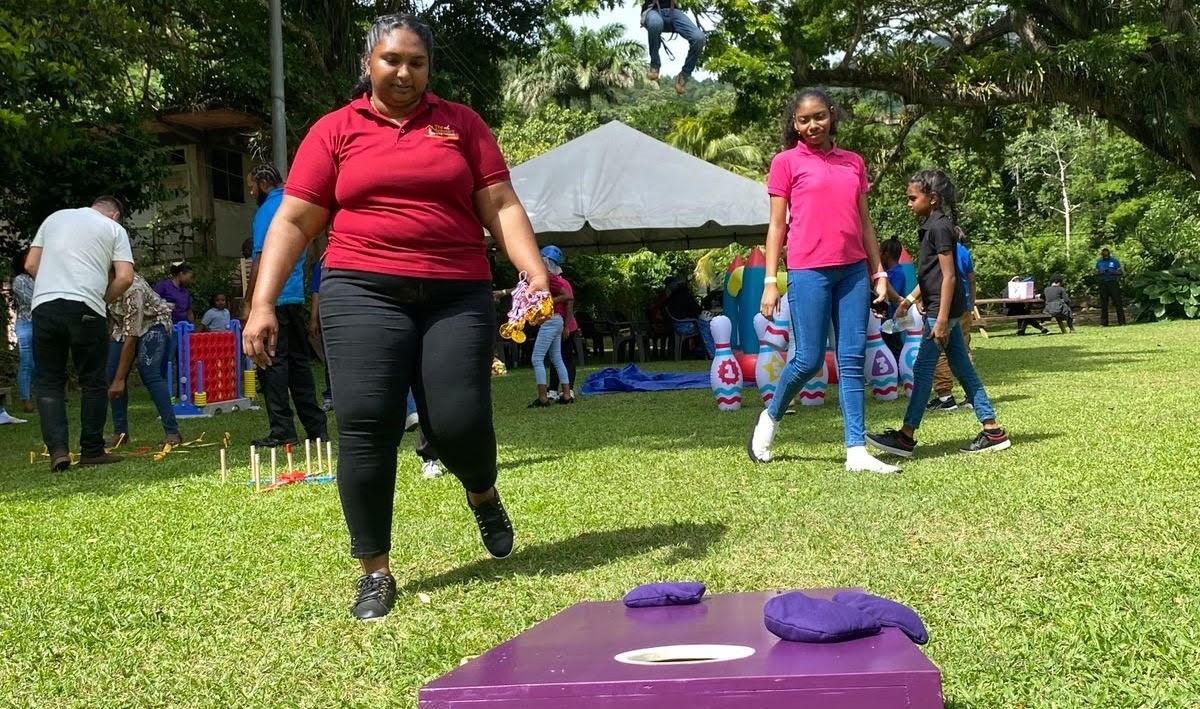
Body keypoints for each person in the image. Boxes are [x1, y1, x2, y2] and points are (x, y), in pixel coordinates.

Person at [242, 14, 549, 621]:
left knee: (459, 420)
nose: (403, 71)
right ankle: (375, 569)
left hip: (454, 290)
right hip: (361, 290)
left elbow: (500, 204)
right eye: (391, 60)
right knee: (365, 423)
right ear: (368, 63)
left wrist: (532, 269)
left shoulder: (460, 124)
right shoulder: (334, 131)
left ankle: (482, 492)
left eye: (416, 61)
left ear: (429, 69)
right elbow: (295, 221)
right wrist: (262, 302)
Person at [747, 88, 899, 475]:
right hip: (807, 271)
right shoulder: (785, 163)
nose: (812, 125)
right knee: (808, 357)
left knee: (852, 360)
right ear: (794, 125)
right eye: (803, 120)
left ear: (831, 115)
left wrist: (878, 273)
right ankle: (771, 417)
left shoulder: (853, 163)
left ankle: (856, 450)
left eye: (819, 116)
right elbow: (777, 225)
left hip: (852, 271)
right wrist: (769, 280)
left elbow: (865, 222)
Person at [867, 170, 1011, 459]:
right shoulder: (931, 226)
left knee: (922, 371)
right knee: (962, 367)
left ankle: (906, 437)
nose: (908, 203)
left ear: (932, 199)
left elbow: (949, 277)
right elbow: (932, 275)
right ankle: (992, 430)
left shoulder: (940, 228)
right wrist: (910, 300)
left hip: (941, 314)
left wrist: (942, 318)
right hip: (939, 310)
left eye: (912, 198)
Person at [26, 195, 133, 471]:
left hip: (45, 306)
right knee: (93, 381)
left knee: (49, 381)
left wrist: (54, 286)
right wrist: (102, 299)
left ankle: (58, 451)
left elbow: (31, 265)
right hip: (86, 307)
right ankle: (92, 450)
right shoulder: (113, 229)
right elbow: (124, 277)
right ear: (115, 215)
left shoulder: (54, 218)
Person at [244, 162, 327, 448]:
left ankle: (282, 430)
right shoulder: (296, 204)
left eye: (252, 186)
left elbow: (259, 259)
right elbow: (310, 251)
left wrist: (251, 303)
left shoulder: (267, 210)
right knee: (299, 365)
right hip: (294, 298)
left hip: (273, 301)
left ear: (264, 182)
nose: (252, 191)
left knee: (272, 366)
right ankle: (317, 428)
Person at [106, 272, 183, 447]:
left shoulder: (134, 289)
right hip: (123, 327)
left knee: (150, 372)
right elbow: (116, 318)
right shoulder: (99, 282)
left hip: (153, 323)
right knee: (111, 373)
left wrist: (120, 380)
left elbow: (132, 336)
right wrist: (116, 378)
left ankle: (172, 432)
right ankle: (120, 433)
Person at [927, 227, 978, 412]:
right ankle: (971, 395)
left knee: (939, 349)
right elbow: (971, 279)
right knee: (964, 349)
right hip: (963, 307)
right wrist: (970, 303)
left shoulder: (944, 251)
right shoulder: (964, 251)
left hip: (946, 307)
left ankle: (945, 396)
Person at [529, 246, 574, 407]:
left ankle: (543, 398)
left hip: (551, 321)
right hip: (557, 321)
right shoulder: (550, 277)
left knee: (537, 358)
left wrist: (547, 302)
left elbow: (567, 296)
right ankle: (566, 394)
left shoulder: (547, 278)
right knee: (557, 358)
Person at [640, 0, 706, 94]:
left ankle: (684, 75)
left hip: (672, 11)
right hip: (653, 10)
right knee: (655, 24)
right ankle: (654, 66)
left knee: (699, 38)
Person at [543, 245, 582, 400]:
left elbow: (569, 303)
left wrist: (566, 326)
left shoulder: (561, 283)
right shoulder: (549, 281)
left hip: (567, 326)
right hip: (554, 325)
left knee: (566, 357)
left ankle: (569, 389)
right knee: (554, 357)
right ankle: (553, 389)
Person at [12, 250, 36, 413]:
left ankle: (43, 397)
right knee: (27, 362)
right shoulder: (19, 280)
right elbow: (32, 300)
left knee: (40, 362)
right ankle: (25, 399)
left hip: (41, 324)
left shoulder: (41, 278)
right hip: (26, 323)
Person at [308, 258, 333, 411]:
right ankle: (330, 396)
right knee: (330, 359)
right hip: (329, 316)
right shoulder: (323, 262)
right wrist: (313, 319)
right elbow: (316, 291)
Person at [879, 238, 907, 363]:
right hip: (889, 316)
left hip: (893, 317)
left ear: (886, 254)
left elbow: (891, 293)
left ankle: (900, 371)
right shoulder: (892, 272)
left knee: (894, 345)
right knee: (889, 343)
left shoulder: (896, 273)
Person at [1095, 247, 1125, 326]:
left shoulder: (1114, 261)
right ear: (1102, 255)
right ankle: (1104, 323)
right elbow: (1095, 272)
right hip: (1103, 283)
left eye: (1107, 255)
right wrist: (1100, 272)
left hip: (1113, 282)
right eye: (1104, 255)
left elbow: (1121, 272)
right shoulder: (1099, 262)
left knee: (1118, 302)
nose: (1105, 256)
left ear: (1109, 254)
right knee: (1104, 303)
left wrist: (1112, 272)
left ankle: (1122, 322)